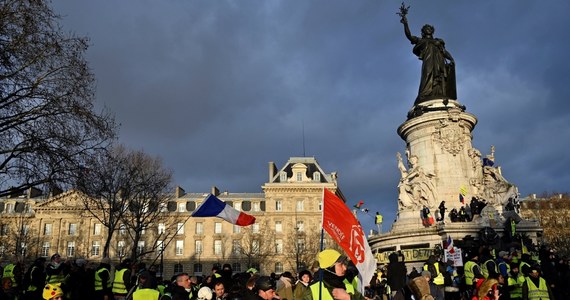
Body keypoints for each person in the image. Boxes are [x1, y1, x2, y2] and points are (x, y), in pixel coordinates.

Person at [399, 7, 456, 105]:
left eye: (429, 28)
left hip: (439, 62)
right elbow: (409, 36)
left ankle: (440, 93)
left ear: (432, 31)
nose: (428, 29)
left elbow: (444, 52)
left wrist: (451, 59)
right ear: (423, 32)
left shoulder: (438, 41)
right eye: (426, 29)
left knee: (440, 77)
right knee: (427, 75)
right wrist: (405, 23)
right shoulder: (421, 41)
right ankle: (425, 94)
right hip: (428, 61)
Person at [301, 249, 366, 300]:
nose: (345, 268)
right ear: (330, 268)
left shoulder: (348, 284)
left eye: (344, 264)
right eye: (340, 265)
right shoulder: (312, 290)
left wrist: (349, 298)